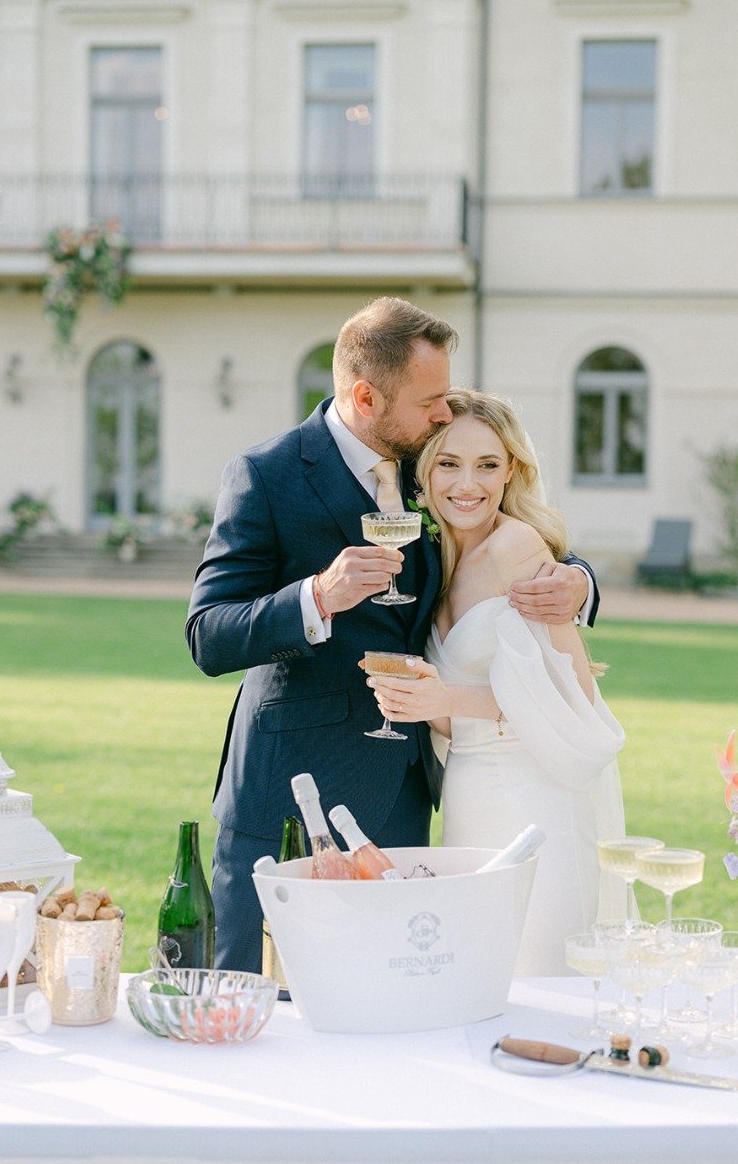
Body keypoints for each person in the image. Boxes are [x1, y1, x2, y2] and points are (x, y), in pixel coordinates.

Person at [185, 297, 599, 971]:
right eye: (429, 399)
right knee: (262, 995)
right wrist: (317, 597)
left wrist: (579, 583)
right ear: (367, 395)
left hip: (406, 791)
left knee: (386, 994)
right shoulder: (267, 476)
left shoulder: (427, 460)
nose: (444, 413)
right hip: (292, 789)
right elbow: (209, 634)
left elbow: (504, 523)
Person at [368, 389, 626, 976]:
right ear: (425, 470)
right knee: (478, 972)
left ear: (512, 471)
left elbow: (575, 699)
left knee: (538, 970)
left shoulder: (518, 548)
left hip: (537, 799)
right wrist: (420, 702)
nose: (469, 484)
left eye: (488, 464)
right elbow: (469, 714)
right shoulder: (434, 558)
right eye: (449, 463)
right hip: (468, 793)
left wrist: (448, 698)